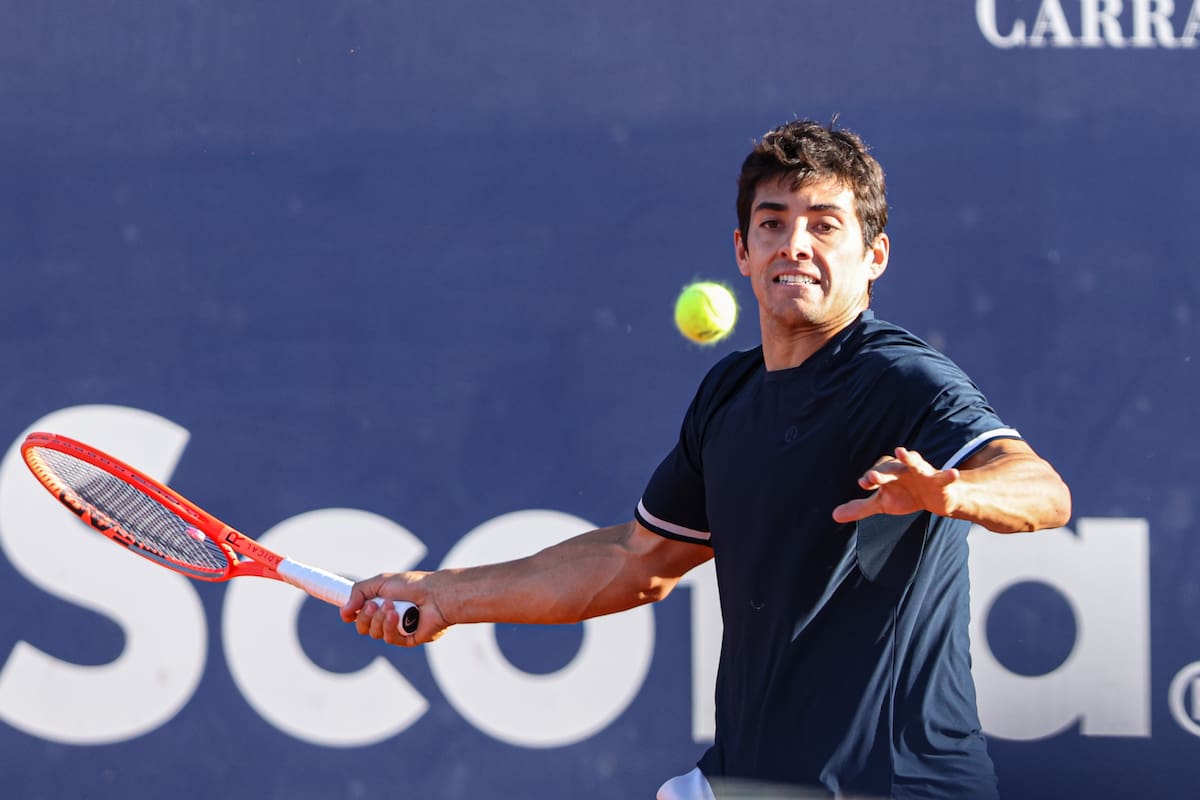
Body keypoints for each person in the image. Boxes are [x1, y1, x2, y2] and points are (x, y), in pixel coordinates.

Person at [341, 118, 1072, 799]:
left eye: (825, 225)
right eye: (774, 224)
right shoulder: (730, 395)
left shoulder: (901, 380)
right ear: (742, 252)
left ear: (873, 255)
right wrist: (443, 594)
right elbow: (634, 561)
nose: (795, 244)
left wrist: (953, 492)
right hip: (751, 784)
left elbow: (1042, 491)